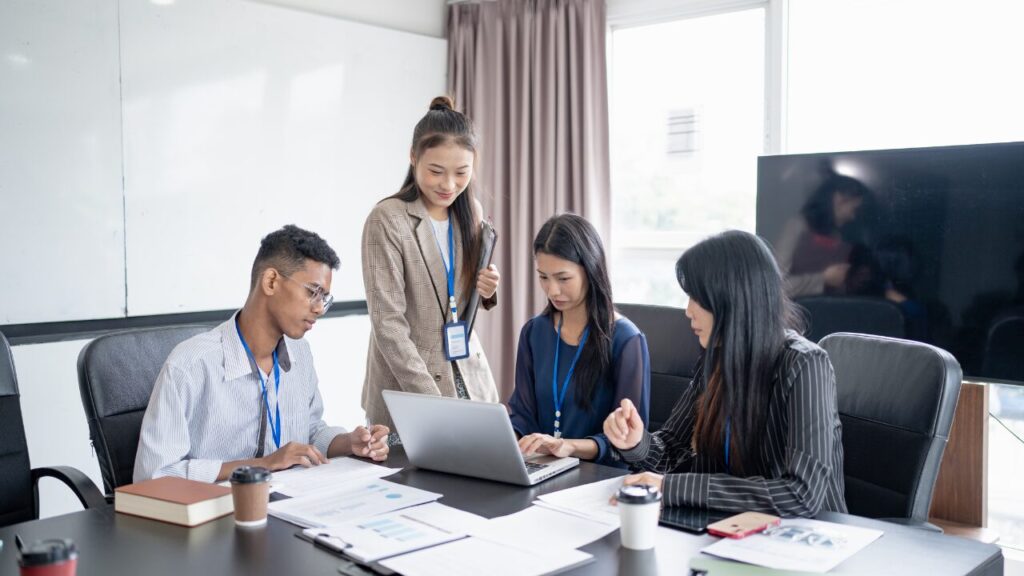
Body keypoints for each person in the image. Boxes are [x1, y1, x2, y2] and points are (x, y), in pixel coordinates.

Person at [604, 230, 847, 517]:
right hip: (728, 528)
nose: (688, 311)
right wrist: (635, 442)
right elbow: (669, 451)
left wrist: (671, 488)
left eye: (697, 297)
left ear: (733, 299)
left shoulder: (804, 364)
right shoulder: (716, 359)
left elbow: (801, 494)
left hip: (809, 540)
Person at [134, 225, 389, 483]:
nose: (320, 308)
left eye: (325, 297)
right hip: (217, 515)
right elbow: (154, 476)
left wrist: (349, 442)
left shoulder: (299, 353)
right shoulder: (190, 366)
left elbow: (310, 432)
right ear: (271, 281)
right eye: (312, 292)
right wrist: (263, 465)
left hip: (287, 506)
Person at [361, 96, 501, 435]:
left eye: (461, 173)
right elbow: (389, 326)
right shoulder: (387, 220)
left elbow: (455, 300)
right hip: (410, 390)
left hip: (469, 379)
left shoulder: (472, 214)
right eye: (436, 171)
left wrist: (486, 291)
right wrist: (433, 403)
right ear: (413, 157)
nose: (448, 185)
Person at [511, 214, 650, 467]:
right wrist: (504, 439)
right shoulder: (534, 333)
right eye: (543, 277)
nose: (552, 290)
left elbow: (629, 443)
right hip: (539, 470)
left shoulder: (626, 340)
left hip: (598, 478)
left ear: (591, 269)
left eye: (563, 278)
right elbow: (523, 416)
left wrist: (568, 446)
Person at [775, 173, 870, 297]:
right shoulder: (797, 226)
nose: (853, 217)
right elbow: (776, 285)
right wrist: (822, 279)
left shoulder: (837, 235)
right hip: (796, 312)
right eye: (853, 209)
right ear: (839, 199)